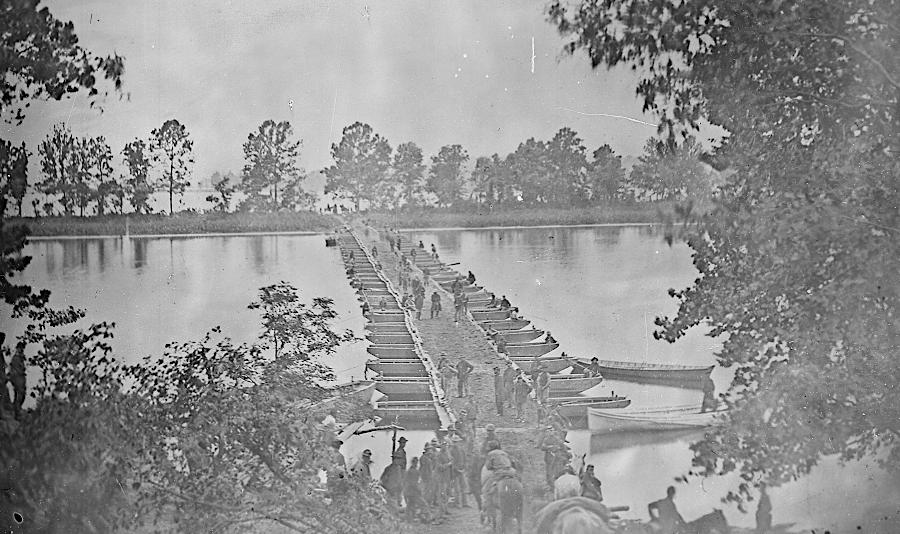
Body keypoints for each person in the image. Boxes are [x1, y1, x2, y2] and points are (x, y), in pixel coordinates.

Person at [480, 441, 520, 516]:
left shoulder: (490, 454)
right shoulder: (504, 453)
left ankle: (485, 510)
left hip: (500, 473)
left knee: (485, 490)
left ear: (490, 448)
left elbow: (488, 466)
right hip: (511, 471)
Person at [449, 434, 469, 507]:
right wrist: (457, 470)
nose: (455, 443)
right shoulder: (451, 450)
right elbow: (452, 462)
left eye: (457, 442)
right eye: (454, 442)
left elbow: (465, 459)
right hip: (455, 472)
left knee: (464, 487)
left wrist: (464, 468)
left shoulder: (461, 449)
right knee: (457, 488)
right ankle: (458, 503)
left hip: (462, 471)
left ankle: (465, 503)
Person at [434, 440, 453, 515]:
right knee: (442, 495)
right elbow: (439, 466)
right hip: (442, 478)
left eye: (446, 445)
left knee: (447, 494)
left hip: (447, 477)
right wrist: (448, 464)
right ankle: (442, 511)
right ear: (441, 446)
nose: (444, 446)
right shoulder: (439, 455)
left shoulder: (447, 454)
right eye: (443, 445)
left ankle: (445, 509)